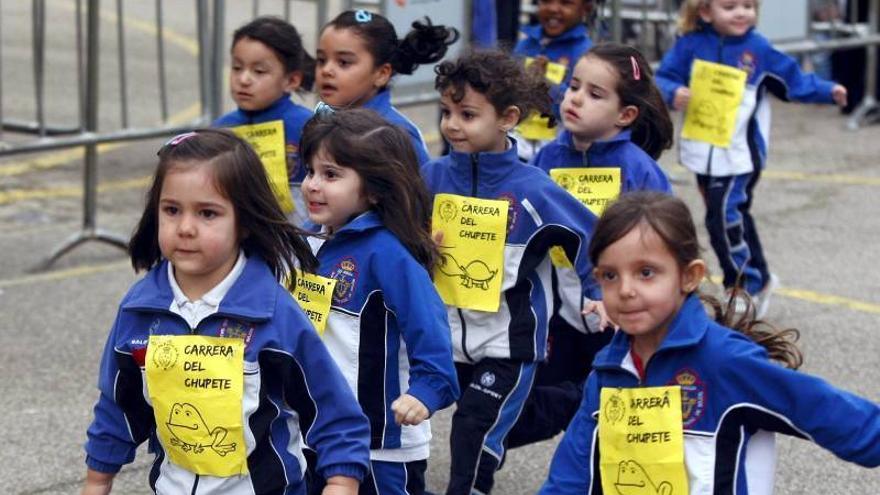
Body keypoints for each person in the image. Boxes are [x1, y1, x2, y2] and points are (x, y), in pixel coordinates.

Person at [81, 130, 371, 495]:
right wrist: (97, 480)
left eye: (207, 213)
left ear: (244, 221)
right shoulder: (140, 309)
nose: (185, 228)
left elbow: (330, 404)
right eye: (172, 210)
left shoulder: (274, 313)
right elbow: (119, 405)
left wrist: (342, 480)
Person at [540, 191, 880, 494]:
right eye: (610, 275)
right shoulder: (608, 370)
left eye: (646, 272)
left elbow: (833, 415)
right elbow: (572, 474)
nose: (626, 290)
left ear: (689, 276)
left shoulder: (725, 361)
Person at [422, 49, 605, 495]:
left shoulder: (533, 189)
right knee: (486, 419)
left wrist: (597, 289)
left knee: (471, 431)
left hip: (509, 343)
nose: (452, 125)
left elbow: (589, 237)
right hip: (447, 340)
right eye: (447, 112)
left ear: (507, 118)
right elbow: (396, 235)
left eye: (467, 114)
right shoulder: (430, 178)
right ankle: (571, 403)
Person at [506, 43, 674, 449]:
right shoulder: (547, 157)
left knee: (618, 432)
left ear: (625, 115)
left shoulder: (639, 169)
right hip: (559, 314)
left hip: (619, 317)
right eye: (574, 86)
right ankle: (580, 402)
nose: (575, 98)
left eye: (594, 94)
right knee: (516, 413)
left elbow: (668, 246)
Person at [297, 108, 459, 495]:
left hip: (381, 443)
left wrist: (426, 391)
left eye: (331, 174)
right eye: (310, 172)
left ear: (372, 189)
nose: (312, 185)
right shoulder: (308, 241)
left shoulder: (390, 255)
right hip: (316, 433)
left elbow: (431, 334)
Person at [655, 0, 848, 318]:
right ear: (705, 12)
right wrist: (673, 91)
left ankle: (742, 285)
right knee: (734, 216)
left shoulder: (758, 48)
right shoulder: (689, 44)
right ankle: (761, 276)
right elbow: (663, 78)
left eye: (748, 5)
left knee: (722, 218)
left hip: (740, 155)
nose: (742, 12)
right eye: (730, 6)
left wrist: (828, 91)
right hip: (703, 151)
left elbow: (794, 82)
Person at [315, 9, 459, 164]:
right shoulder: (319, 122)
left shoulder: (396, 136)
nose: (326, 70)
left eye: (343, 62)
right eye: (322, 60)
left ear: (381, 74)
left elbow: (418, 187)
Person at [213, 16, 315, 225]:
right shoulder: (220, 131)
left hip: (298, 243)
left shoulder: (312, 128)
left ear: (292, 80)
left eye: (259, 71)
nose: (244, 79)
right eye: (237, 67)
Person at [512, 0, 594, 160]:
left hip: (561, 150)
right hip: (518, 147)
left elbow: (582, 108)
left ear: (586, 8)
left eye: (566, 3)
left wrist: (545, 84)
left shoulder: (586, 54)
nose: (553, 8)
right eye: (546, 1)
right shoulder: (524, 46)